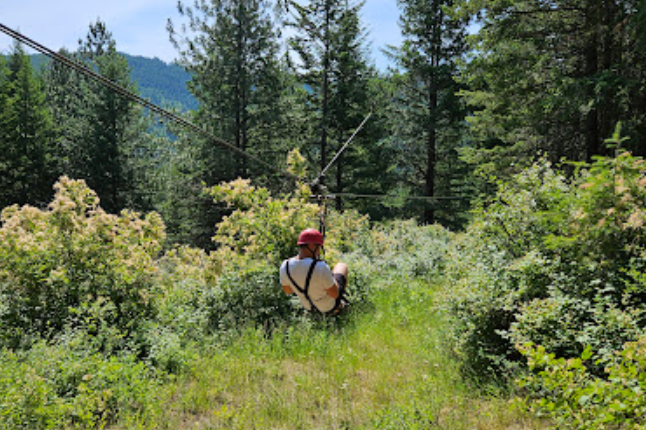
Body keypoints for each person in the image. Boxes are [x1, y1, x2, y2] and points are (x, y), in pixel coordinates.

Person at [280, 228, 349, 314]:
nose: (319, 251)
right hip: (327, 307)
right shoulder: (320, 267)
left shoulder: (285, 265)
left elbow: (288, 291)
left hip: (309, 307)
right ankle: (340, 307)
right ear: (311, 246)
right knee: (342, 266)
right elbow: (335, 294)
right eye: (319, 247)